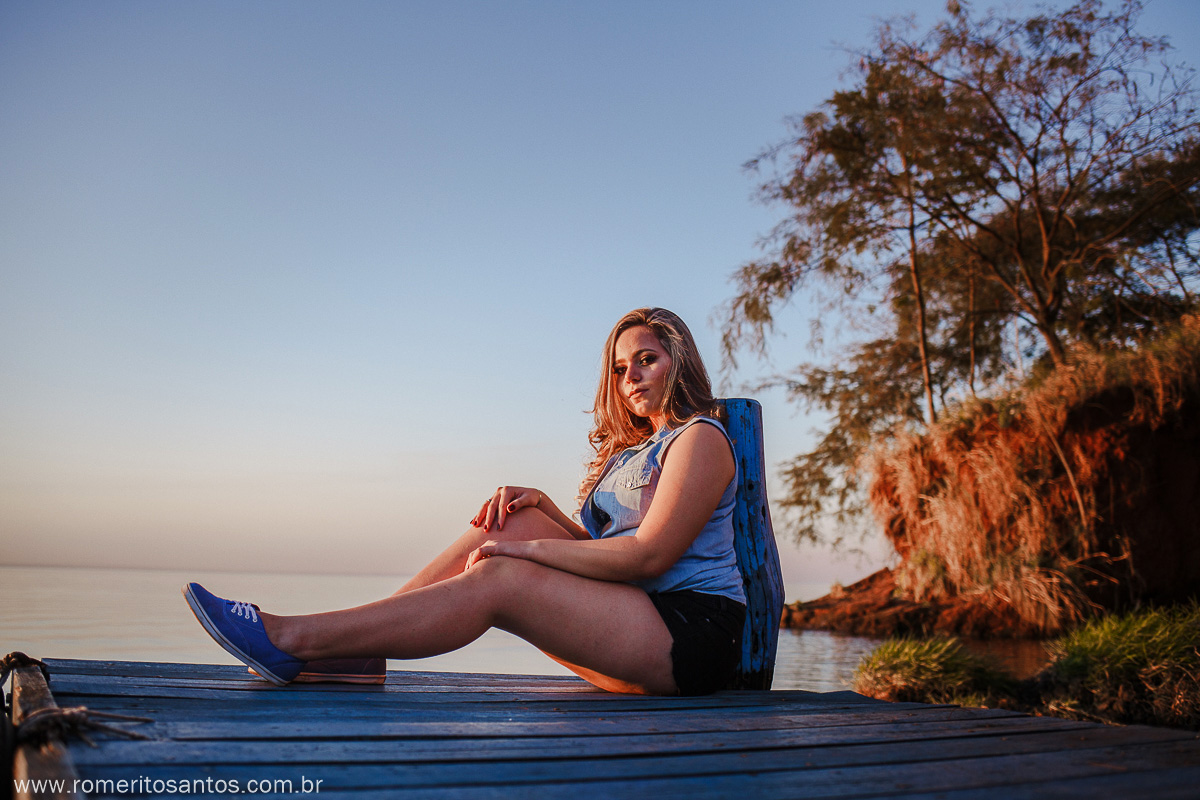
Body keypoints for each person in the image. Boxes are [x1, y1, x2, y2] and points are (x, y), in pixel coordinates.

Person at [183, 307, 747, 696]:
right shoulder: (636, 452)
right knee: (515, 518)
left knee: (503, 574)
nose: (630, 378)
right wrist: (543, 512)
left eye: (646, 359)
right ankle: (363, 652)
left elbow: (648, 559)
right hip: (638, 613)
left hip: (690, 634)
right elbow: (605, 553)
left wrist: (523, 556)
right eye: (620, 369)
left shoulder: (700, 437)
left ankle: (290, 637)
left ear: (679, 358)